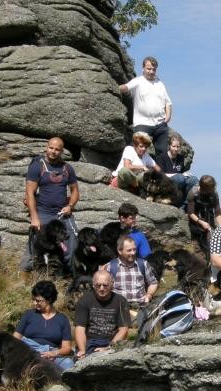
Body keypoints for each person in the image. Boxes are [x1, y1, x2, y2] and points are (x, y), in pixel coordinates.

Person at [21, 137, 79, 271]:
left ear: (62, 151)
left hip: (62, 214)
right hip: (43, 212)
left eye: (57, 149)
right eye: (51, 148)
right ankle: (25, 273)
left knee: (72, 242)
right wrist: (35, 218)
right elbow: (30, 193)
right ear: (46, 147)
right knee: (35, 243)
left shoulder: (67, 168)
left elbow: (75, 191)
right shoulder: (37, 166)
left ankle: (67, 274)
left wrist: (70, 206)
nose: (53, 151)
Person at [13, 280, 74, 370]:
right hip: (29, 348)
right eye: (33, 299)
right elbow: (15, 338)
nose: (34, 303)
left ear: (49, 300)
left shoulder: (62, 319)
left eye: (38, 300)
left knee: (68, 363)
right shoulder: (28, 314)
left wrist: (54, 353)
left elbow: (67, 347)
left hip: (51, 351)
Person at [118, 56, 172, 156]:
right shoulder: (138, 81)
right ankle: (137, 169)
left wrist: (167, 117)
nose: (151, 71)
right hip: (142, 122)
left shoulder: (160, 84)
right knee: (139, 148)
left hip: (160, 123)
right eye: (149, 69)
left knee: (162, 152)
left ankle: (159, 171)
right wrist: (114, 87)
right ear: (143, 68)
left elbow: (167, 102)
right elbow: (125, 87)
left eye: (154, 69)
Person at [74, 269, 132, 357]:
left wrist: (109, 348)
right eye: (98, 285)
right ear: (93, 285)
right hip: (90, 342)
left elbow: (123, 330)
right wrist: (82, 350)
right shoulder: (84, 301)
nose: (101, 288)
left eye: (105, 285)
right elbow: (80, 329)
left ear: (112, 284)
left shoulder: (121, 301)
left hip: (112, 341)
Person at [107, 235, 158, 306]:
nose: (133, 253)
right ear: (120, 251)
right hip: (119, 308)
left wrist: (149, 295)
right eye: (129, 250)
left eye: (134, 249)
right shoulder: (110, 267)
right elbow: (103, 287)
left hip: (140, 307)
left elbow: (153, 283)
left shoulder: (143, 264)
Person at [154, 133, 198, 206]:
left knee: (194, 180)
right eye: (173, 146)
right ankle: (171, 200)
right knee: (180, 178)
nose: (176, 149)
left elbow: (182, 172)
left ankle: (185, 205)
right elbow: (160, 174)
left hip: (179, 180)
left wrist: (186, 175)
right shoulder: (161, 157)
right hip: (165, 182)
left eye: (178, 147)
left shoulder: (180, 158)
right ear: (169, 146)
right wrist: (177, 175)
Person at [186, 175, 221, 257]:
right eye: (212, 188)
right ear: (205, 188)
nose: (214, 189)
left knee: (211, 244)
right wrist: (201, 222)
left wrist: (220, 227)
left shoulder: (214, 194)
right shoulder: (193, 193)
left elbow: (217, 212)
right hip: (196, 220)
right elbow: (190, 213)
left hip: (209, 218)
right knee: (198, 248)